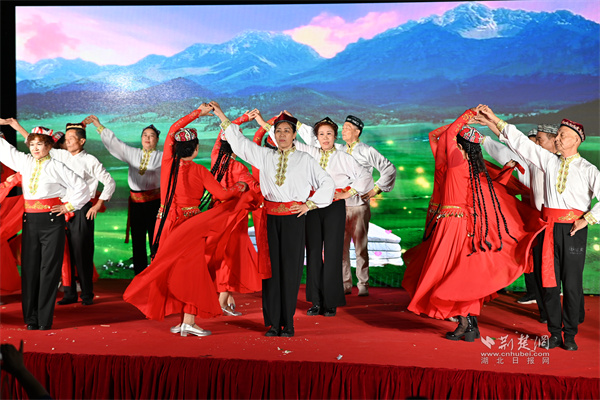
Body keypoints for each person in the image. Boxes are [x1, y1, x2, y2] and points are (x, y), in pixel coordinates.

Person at [401, 106, 544, 342]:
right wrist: (464, 129)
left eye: (456, 142)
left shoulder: (453, 162)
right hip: (464, 225)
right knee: (461, 273)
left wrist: (467, 117)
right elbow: (439, 137)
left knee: (451, 274)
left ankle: (466, 324)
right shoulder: (471, 169)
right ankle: (470, 325)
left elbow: (438, 135)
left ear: (460, 146)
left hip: (451, 226)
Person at [474, 106, 599, 351]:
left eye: (562, 135)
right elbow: (522, 143)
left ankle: (570, 334)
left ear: (576, 140)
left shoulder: (588, 170)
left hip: (573, 231)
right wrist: (494, 120)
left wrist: (588, 219)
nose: (558, 139)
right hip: (548, 229)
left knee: (571, 284)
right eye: (558, 135)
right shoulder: (548, 161)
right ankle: (554, 333)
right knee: (548, 283)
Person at [123, 104, 250, 337]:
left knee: (171, 269)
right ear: (196, 148)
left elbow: (173, 129)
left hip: (165, 223)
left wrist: (197, 113)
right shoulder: (200, 171)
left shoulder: (168, 164)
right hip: (190, 226)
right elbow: (222, 195)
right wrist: (239, 187)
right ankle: (189, 321)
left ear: (175, 148)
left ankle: (183, 321)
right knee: (192, 273)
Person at [212, 101, 335, 337]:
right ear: (273, 135)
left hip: (293, 219)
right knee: (270, 272)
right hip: (269, 220)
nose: (282, 135)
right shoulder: (265, 156)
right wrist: (221, 115)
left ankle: (288, 323)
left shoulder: (305, 159)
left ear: (294, 134)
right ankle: (273, 323)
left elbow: (327, 183)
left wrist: (309, 204)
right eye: (278, 131)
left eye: (287, 131)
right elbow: (240, 144)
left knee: (290, 271)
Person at [255, 111, 373, 316]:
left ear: (334, 136)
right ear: (316, 137)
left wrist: (347, 193)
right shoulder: (309, 152)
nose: (325, 138)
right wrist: (262, 123)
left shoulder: (344, 157)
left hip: (334, 207)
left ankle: (331, 302)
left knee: (333, 253)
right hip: (311, 206)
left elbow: (365, 176)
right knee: (313, 253)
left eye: (329, 134)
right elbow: (284, 138)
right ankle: (316, 301)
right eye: (321, 134)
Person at [0, 125, 90, 330]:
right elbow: (5, 150)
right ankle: (31, 319)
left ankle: (44, 319)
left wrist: (68, 206)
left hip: (52, 223)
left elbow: (82, 188)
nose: (35, 148)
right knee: (29, 270)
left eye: (39, 144)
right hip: (30, 223)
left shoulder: (57, 166)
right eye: (32, 144)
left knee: (49, 270)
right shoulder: (25, 162)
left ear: (49, 146)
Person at [296, 115, 396, 296]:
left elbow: (388, 168)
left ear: (357, 132)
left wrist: (375, 189)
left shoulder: (366, 151)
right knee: (339, 247)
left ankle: (363, 284)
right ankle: (345, 283)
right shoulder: (339, 149)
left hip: (358, 205)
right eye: (343, 128)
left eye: (348, 128)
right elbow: (315, 140)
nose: (344, 131)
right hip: (338, 206)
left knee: (360, 246)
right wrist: (296, 124)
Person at [482, 124, 558, 322]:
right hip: (536, 219)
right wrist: (485, 139)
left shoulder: (560, 162)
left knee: (556, 267)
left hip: (559, 222)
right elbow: (506, 152)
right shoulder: (530, 161)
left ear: (554, 141)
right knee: (537, 263)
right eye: (534, 141)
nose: (534, 145)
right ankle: (545, 309)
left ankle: (563, 312)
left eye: (539, 140)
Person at [202, 112, 265, 316]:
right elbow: (256, 189)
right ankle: (222, 299)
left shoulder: (215, 160)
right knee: (231, 257)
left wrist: (243, 118)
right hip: (234, 219)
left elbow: (221, 134)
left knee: (221, 255)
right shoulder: (238, 167)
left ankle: (227, 297)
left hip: (216, 215)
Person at [86, 116, 162, 275]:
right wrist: (98, 125)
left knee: (157, 241)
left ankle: (157, 276)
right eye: (145, 135)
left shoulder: (163, 156)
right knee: (138, 241)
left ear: (157, 140)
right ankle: (140, 278)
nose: (147, 138)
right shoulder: (133, 153)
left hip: (155, 204)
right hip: (136, 204)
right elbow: (115, 144)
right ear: (141, 138)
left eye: (151, 136)